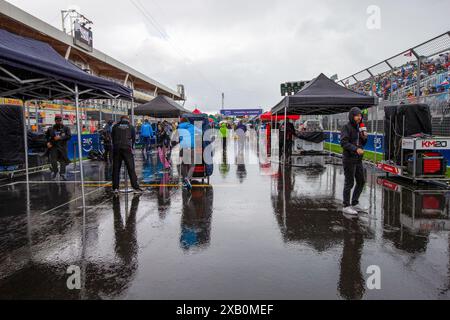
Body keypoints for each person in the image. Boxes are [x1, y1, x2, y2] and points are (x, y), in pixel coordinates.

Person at [340, 107, 368, 215]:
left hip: (358, 160)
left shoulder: (359, 128)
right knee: (349, 183)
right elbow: (343, 143)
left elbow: (362, 143)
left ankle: (355, 203)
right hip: (349, 159)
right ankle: (346, 205)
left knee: (361, 181)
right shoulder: (346, 127)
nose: (359, 118)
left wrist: (364, 137)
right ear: (352, 116)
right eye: (357, 115)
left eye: (360, 116)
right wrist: (356, 149)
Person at [111, 115, 143, 194]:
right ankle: (135, 187)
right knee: (131, 168)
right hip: (127, 148)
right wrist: (131, 146)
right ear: (127, 120)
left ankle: (115, 188)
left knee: (116, 169)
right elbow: (134, 138)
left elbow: (112, 137)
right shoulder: (130, 127)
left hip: (117, 148)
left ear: (121, 119)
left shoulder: (115, 126)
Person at [46, 115, 72, 181]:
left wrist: (60, 137)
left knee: (62, 161)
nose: (59, 122)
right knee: (53, 160)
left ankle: (62, 174)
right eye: (57, 121)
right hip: (54, 147)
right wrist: (48, 142)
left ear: (61, 120)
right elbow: (46, 137)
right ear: (55, 121)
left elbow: (69, 136)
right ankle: (55, 171)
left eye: (60, 120)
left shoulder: (66, 128)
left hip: (62, 147)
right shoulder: (51, 129)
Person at [178, 118, 199, 190]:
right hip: (192, 147)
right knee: (192, 165)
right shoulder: (193, 126)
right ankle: (188, 178)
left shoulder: (180, 127)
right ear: (188, 122)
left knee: (183, 164)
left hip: (184, 147)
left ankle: (184, 179)